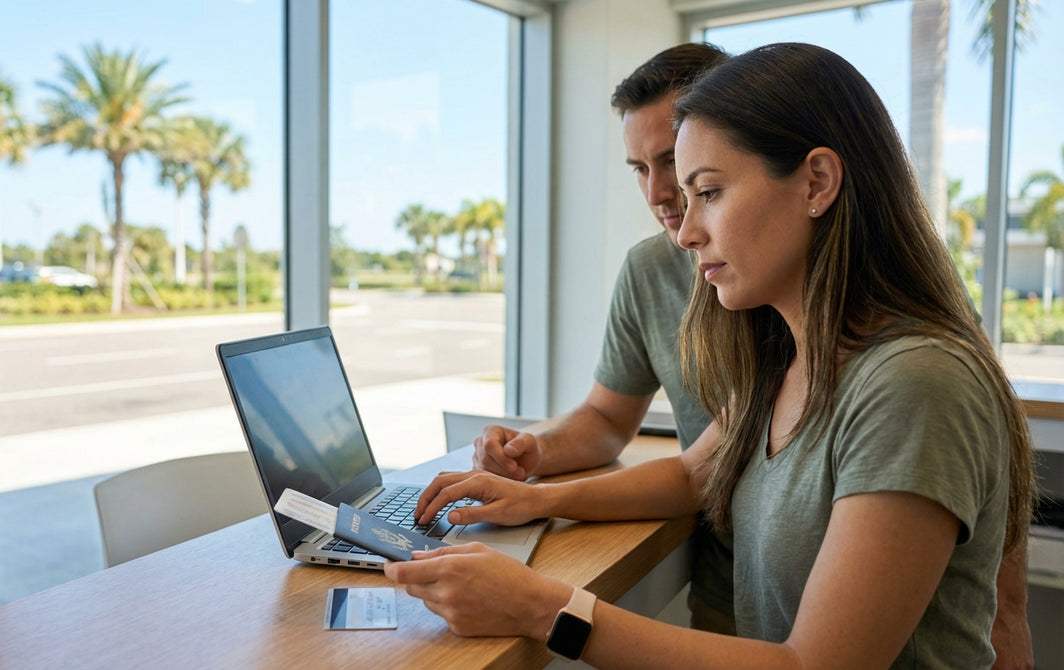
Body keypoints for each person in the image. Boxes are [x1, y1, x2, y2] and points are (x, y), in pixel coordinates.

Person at [387, 42, 1036, 668]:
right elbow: (695, 474)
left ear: (816, 181)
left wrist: (545, 610)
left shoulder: (913, 382)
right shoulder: (785, 354)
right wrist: (534, 500)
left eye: (711, 191)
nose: (687, 230)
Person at [472, 41, 739, 636]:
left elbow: (699, 474)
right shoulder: (649, 270)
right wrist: (532, 454)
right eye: (639, 169)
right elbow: (609, 418)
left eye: (671, 160)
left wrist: (540, 508)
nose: (656, 193)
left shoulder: (786, 292)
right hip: (730, 580)